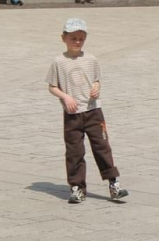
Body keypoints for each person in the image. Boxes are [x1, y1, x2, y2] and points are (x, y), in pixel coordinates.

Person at [46, 18, 128, 203]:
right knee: (74, 151)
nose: (77, 42)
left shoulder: (91, 59)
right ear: (64, 38)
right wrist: (65, 97)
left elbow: (97, 80)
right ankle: (77, 187)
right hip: (72, 114)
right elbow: (52, 86)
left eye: (81, 38)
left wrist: (97, 87)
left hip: (93, 111)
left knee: (102, 147)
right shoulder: (59, 61)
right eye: (73, 38)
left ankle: (113, 183)